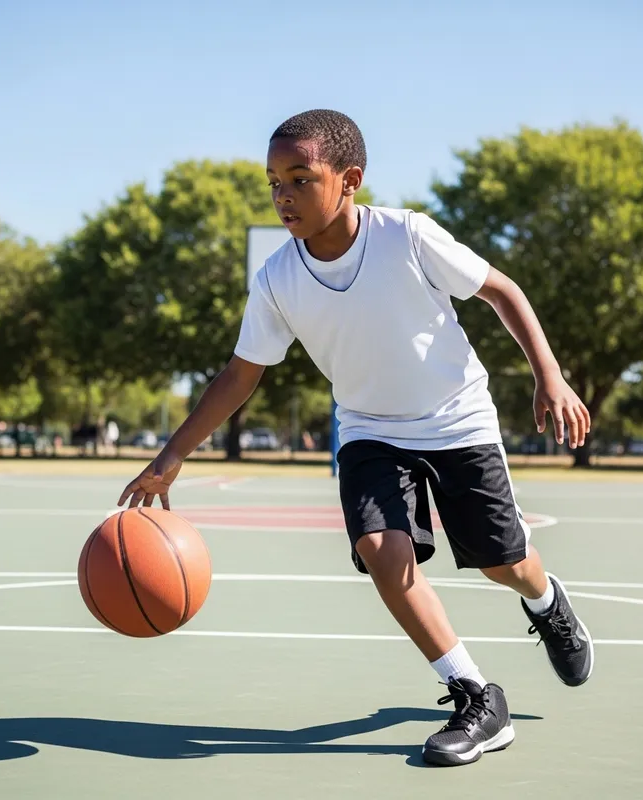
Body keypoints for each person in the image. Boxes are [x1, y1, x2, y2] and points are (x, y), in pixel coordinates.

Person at [118, 109, 594, 768]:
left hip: (457, 419)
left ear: (350, 180)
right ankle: (476, 695)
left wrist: (551, 376)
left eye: (299, 179)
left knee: (501, 564)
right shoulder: (278, 279)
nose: (283, 195)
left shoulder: (406, 236)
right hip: (370, 429)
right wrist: (170, 458)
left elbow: (501, 291)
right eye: (273, 182)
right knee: (380, 550)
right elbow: (239, 374)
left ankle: (547, 603)